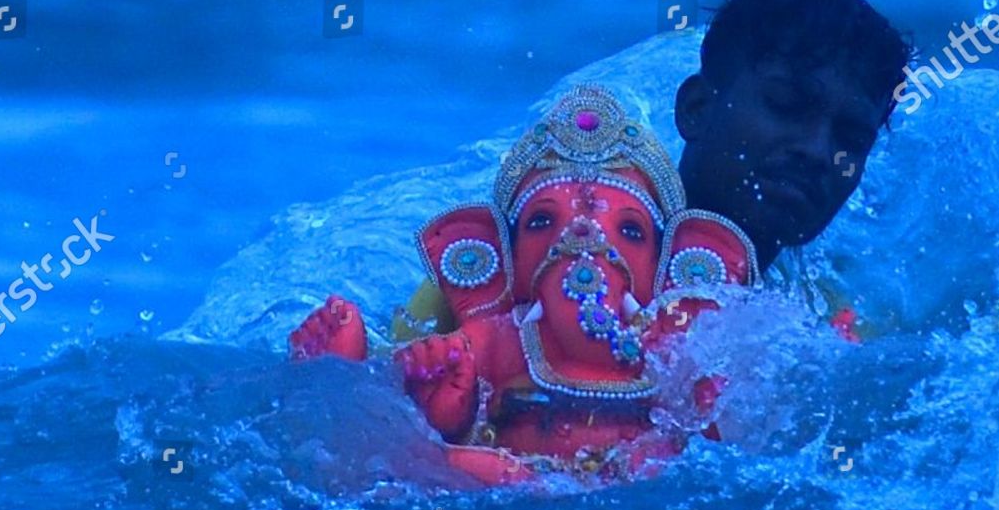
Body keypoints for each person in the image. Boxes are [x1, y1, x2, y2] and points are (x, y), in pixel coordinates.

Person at [391, 0, 911, 344]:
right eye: (786, 105)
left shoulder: (823, 332)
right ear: (697, 110)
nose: (818, 151)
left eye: (851, 139)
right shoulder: (525, 262)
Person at [291, 86, 757, 485]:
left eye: (630, 231)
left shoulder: (676, 344)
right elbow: (417, 400)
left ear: (676, 263)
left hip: (637, 490)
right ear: (496, 255)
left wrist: (709, 406)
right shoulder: (499, 338)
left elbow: (725, 442)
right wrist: (445, 410)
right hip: (511, 482)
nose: (582, 236)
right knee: (455, 464)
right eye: (541, 222)